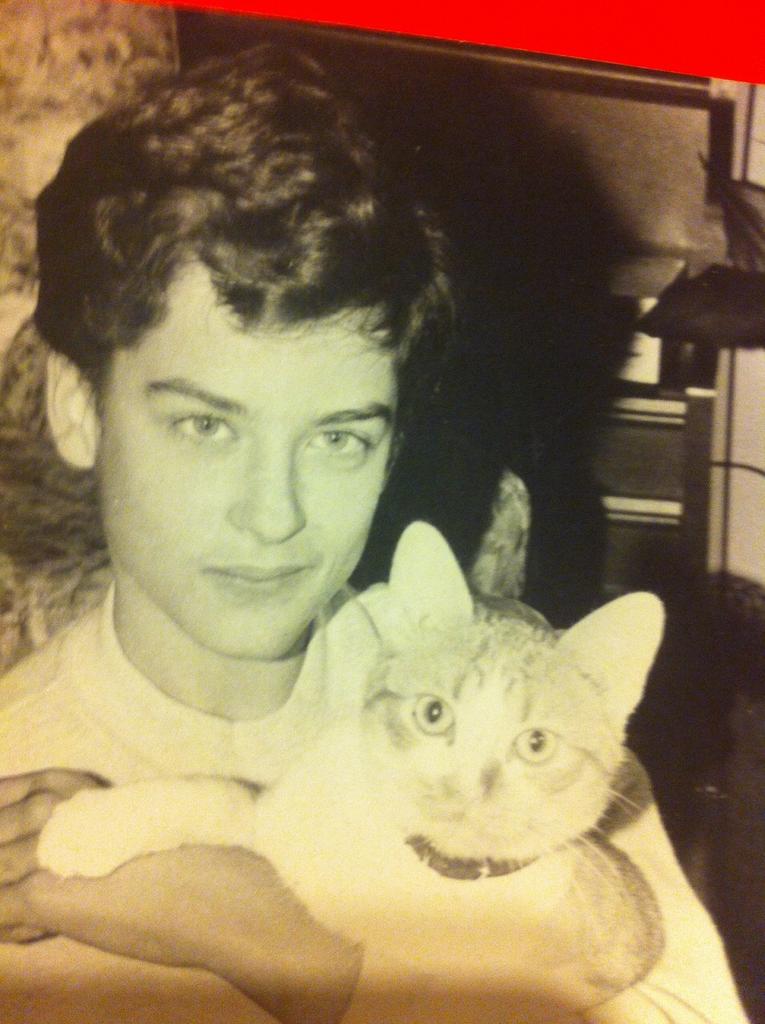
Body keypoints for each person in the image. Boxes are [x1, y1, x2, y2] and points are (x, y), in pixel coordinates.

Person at [0, 42, 750, 1024]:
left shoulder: (522, 710)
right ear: (79, 409)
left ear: (393, 445)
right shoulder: (18, 782)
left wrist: (302, 955)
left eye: (338, 438)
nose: (274, 515)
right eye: (206, 426)